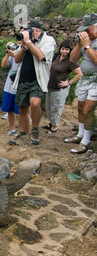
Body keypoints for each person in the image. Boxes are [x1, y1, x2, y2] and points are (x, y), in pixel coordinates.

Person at [9, 19, 56, 145]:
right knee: (22, 107)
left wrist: (29, 42)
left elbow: (41, 56)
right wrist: (24, 48)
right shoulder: (25, 43)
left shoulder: (48, 41)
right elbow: (17, 59)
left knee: (35, 103)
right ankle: (22, 132)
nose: (24, 33)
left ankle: (35, 131)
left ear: (35, 30)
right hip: (24, 78)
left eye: (27, 30)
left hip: (38, 79)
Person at [66, 13, 97, 154]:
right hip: (85, 79)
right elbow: (72, 59)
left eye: (88, 30)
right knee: (80, 107)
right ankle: (80, 134)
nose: (86, 33)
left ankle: (86, 141)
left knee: (88, 110)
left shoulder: (90, 43)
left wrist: (87, 46)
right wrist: (79, 44)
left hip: (95, 80)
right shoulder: (85, 41)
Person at [43, 39, 82, 134]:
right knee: (49, 107)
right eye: (63, 49)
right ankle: (51, 123)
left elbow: (79, 74)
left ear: (70, 50)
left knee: (56, 108)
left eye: (67, 50)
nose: (64, 51)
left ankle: (55, 127)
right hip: (50, 86)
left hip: (59, 89)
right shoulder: (57, 57)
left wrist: (68, 82)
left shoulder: (71, 61)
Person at [1, 40, 22, 136]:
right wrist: (8, 53)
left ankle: (23, 130)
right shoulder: (14, 51)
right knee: (9, 108)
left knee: (22, 109)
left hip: (21, 84)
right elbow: (3, 65)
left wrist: (15, 54)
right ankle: (12, 129)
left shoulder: (26, 51)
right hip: (10, 84)